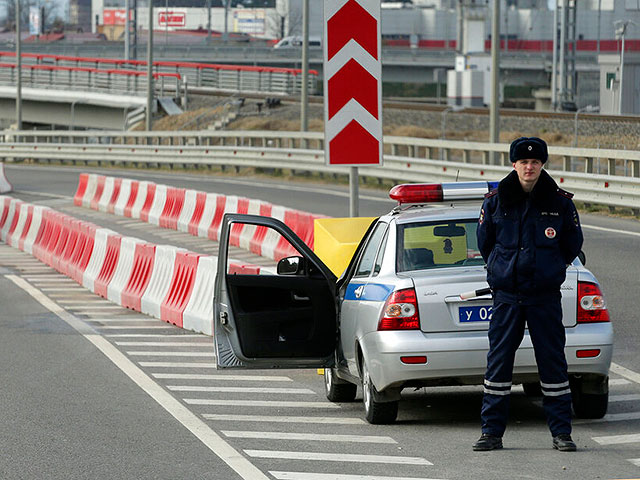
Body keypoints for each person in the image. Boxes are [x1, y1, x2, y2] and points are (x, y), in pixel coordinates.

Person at [474, 136, 584, 452]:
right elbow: (485, 244)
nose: (529, 167)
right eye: (524, 162)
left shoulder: (559, 203)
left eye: (535, 162)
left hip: (544, 297)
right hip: (507, 297)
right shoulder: (495, 202)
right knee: (498, 365)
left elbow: (571, 245)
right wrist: (503, 269)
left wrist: (547, 268)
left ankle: (562, 433)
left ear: (542, 165)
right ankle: (491, 433)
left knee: (552, 365)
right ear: (514, 165)